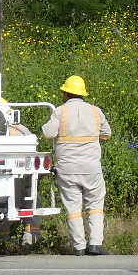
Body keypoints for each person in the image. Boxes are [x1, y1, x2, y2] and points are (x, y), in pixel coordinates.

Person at [41, 75, 111, 255]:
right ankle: (95, 244)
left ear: (66, 93)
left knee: (73, 208)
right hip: (91, 167)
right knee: (95, 206)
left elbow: (47, 133)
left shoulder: (60, 111)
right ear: (82, 94)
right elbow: (107, 134)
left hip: (68, 168)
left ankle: (79, 247)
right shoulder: (95, 111)